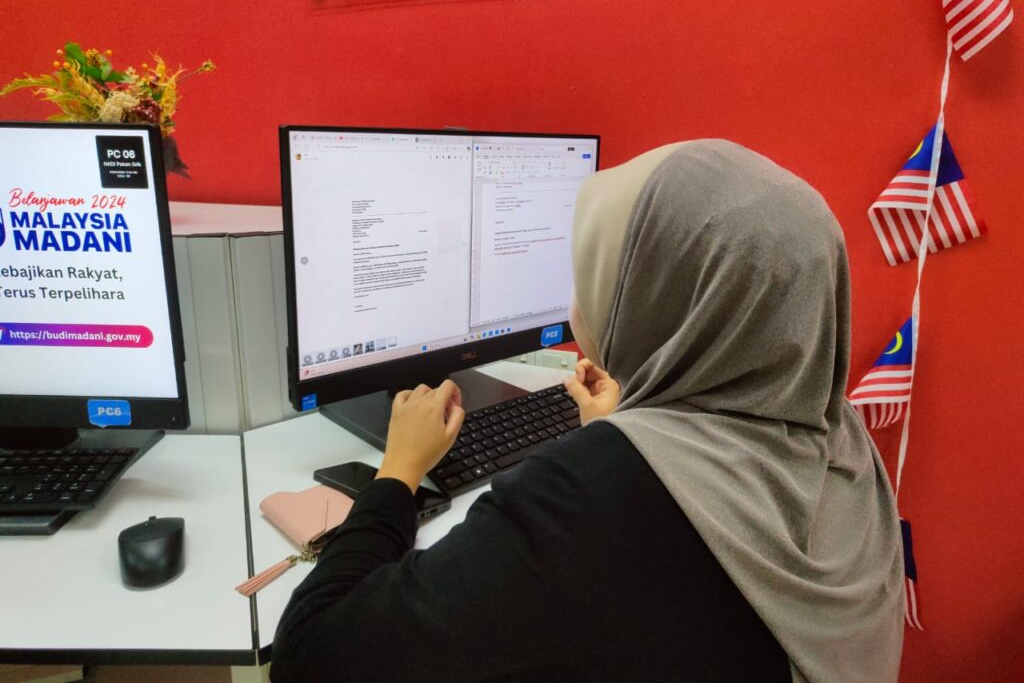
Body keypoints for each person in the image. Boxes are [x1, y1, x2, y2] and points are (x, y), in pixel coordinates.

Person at [271, 140, 904, 683]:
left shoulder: (592, 493)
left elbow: (311, 655)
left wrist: (397, 473)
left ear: (656, 298)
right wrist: (625, 434)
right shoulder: (840, 439)